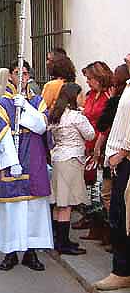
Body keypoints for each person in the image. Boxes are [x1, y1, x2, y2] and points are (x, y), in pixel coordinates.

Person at [0, 60, 53, 272]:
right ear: (10, 76)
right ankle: (10, 251)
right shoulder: (2, 104)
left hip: (34, 161)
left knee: (33, 208)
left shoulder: (38, 102)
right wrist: (11, 162)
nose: (20, 77)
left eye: (24, 73)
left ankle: (31, 252)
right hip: (11, 164)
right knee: (11, 209)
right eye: (16, 73)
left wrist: (27, 108)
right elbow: (1, 136)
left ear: (28, 76)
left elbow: (41, 127)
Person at [94, 67, 130, 291]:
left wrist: (123, 152)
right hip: (121, 159)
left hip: (125, 158)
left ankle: (122, 271)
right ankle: (122, 270)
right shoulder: (127, 87)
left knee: (120, 214)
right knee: (118, 215)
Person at [49, 83, 95, 255]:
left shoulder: (56, 114)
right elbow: (90, 134)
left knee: (58, 202)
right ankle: (63, 243)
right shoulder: (76, 116)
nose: (83, 98)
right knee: (66, 204)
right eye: (81, 95)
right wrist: (84, 115)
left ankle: (57, 239)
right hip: (72, 160)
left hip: (58, 158)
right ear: (74, 97)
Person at [74, 61, 113, 237]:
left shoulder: (107, 96)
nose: (87, 82)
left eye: (90, 79)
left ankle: (101, 226)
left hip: (100, 144)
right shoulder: (90, 95)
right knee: (89, 186)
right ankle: (92, 221)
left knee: (99, 188)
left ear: (99, 78)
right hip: (88, 144)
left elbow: (107, 122)